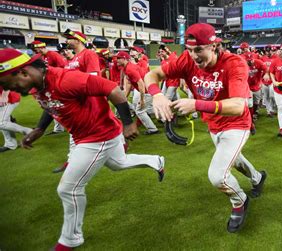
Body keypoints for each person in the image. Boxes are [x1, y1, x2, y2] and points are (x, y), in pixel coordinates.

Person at [0, 48, 165, 250]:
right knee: (118, 164)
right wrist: (39, 129)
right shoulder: (38, 85)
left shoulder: (66, 79)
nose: (14, 91)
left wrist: (128, 123)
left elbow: (113, 89)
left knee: (68, 189)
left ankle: (70, 240)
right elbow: (51, 105)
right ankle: (156, 161)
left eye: (11, 85)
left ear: (23, 73)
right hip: (86, 135)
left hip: (98, 135)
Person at [144, 23, 266, 233]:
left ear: (215, 46)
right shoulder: (186, 60)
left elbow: (238, 106)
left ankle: (240, 201)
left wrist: (196, 104)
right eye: (190, 50)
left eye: (199, 49)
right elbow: (150, 76)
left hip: (237, 123)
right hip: (213, 123)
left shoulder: (235, 64)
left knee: (218, 176)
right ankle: (258, 177)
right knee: (234, 161)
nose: (193, 56)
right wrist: (157, 94)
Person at [53, 29, 101, 173]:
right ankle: (72, 161)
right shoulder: (73, 59)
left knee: (100, 128)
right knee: (76, 132)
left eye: (69, 38)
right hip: (76, 100)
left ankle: (119, 146)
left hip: (87, 99)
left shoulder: (89, 54)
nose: (66, 41)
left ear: (78, 40)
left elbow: (93, 77)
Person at [116, 51, 159, 135]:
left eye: (118, 58)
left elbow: (141, 83)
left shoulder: (130, 69)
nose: (116, 60)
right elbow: (129, 84)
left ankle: (153, 129)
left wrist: (142, 99)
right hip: (149, 89)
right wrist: (124, 97)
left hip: (148, 90)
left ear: (124, 59)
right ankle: (168, 115)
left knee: (140, 111)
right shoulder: (126, 68)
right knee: (149, 109)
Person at [31, 40, 67, 134]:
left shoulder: (53, 55)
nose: (36, 51)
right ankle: (58, 128)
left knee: (55, 106)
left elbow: (64, 67)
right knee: (53, 106)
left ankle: (64, 126)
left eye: (36, 49)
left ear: (40, 47)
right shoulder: (41, 56)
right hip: (49, 85)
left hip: (58, 83)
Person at [0, 87, 32, 152]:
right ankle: (10, 144)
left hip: (9, 98)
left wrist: (4, 96)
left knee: (2, 122)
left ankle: (30, 132)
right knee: (3, 121)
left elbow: (6, 81)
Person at [244, 51, 268, 134]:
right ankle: (250, 122)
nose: (249, 61)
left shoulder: (259, 62)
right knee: (249, 103)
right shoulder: (242, 64)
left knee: (256, 102)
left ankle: (254, 114)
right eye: (248, 60)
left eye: (251, 60)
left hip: (257, 85)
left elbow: (266, 69)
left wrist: (266, 74)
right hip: (247, 87)